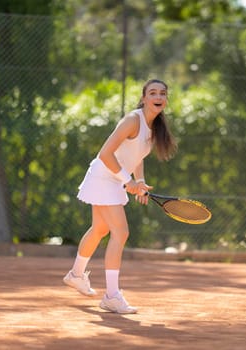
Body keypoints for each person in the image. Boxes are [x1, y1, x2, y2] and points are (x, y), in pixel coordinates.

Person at [63, 79, 177, 314]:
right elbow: (105, 154)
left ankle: (76, 274)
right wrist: (129, 182)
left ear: (166, 100)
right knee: (121, 232)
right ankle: (112, 296)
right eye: (153, 93)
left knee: (99, 230)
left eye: (162, 93)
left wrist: (140, 181)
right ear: (144, 98)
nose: (158, 97)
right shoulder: (132, 121)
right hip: (103, 177)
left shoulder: (153, 128)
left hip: (114, 179)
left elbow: (138, 156)